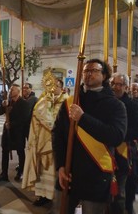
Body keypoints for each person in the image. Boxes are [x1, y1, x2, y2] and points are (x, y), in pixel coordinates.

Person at [52, 59, 127, 214]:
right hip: (68, 172)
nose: (88, 74)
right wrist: (60, 166)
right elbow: (57, 134)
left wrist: (83, 118)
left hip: (96, 174)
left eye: (94, 70)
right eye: (85, 71)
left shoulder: (115, 105)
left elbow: (116, 136)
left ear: (105, 75)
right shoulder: (70, 103)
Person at [22, 74, 69, 207]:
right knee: (42, 172)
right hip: (42, 143)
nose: (53, 89)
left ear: (62, 88)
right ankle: (43, 196)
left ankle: (56, 197)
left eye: (56, 86)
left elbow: (52, 122)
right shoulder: (43, 101)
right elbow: (36, 115)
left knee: (56, 171)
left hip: (57, 144)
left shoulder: (66, 101)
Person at [110, 75, 138, 214]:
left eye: (119, 84)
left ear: (125, 87)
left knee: (122, 189)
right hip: (107, 149)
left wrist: (118, 134)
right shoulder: (108, 102)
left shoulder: (133, 105)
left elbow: (137, 129)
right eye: (113, 84)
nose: (115, 87)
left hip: (125, 150)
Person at [0, 84, 29, 182]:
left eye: (12, 90)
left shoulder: (23, 103)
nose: (10, 91)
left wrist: (12, 124)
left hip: (18, 132)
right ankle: (4, 173)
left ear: (18, 91)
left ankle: (21, 172)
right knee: (4, 151)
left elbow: (24, 118)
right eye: (10, 90)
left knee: (20, 152)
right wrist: (2, 105)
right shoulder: (8, 102)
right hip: (7, 131)